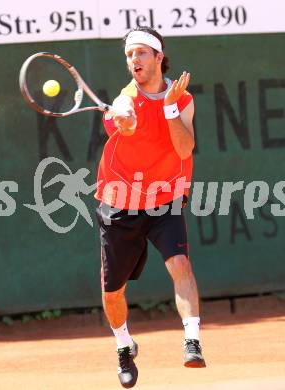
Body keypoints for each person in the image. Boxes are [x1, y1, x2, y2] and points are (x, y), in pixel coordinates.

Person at [94, 26, 205, 388]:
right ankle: (124, 345)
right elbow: (122, 120)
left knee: (181, 264)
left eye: (141, 53)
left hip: (164, 198)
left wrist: (170, 107)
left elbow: (185, 149)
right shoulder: (125, 98)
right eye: (129, 55)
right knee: (113, 292)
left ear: (159, 56)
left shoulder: (182, 98)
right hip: (120, 202)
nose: (134, 61)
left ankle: (192, 339)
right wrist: (123, 121)